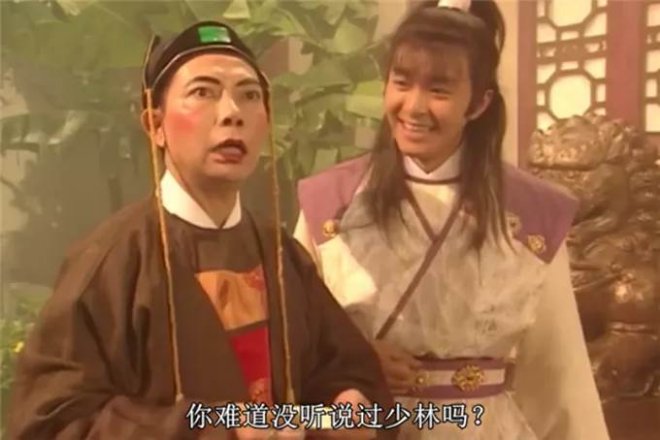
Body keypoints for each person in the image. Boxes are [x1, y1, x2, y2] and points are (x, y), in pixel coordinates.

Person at [8, 21, 395, 440]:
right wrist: (209, 430)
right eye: (203, 92)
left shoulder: (280, 253)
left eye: (249, 95)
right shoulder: (112, 262)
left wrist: (349, 401)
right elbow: (52, 422)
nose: (231, 113)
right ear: (155, 125)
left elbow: (345, 369)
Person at [293, 0, 610, 439]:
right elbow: (294, 342)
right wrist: (355, 360)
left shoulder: (531, 214)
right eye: (401, 82)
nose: (413, 106)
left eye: (439, 90)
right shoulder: (332, 203)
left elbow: (557, 374)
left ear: (478, 103)